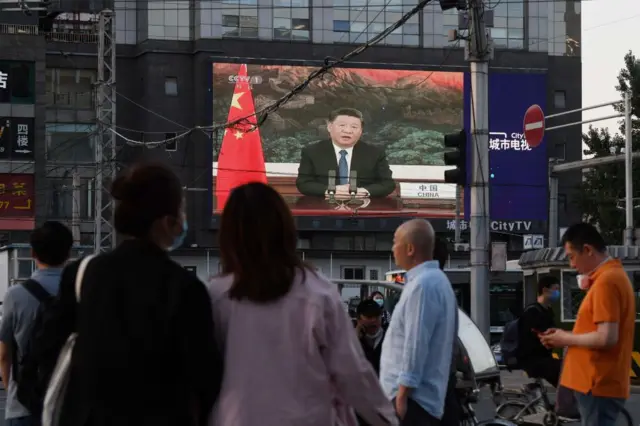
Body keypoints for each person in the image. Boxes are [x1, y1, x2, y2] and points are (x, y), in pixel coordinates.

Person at [37, 162, 222, 426]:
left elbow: (47, 350)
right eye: (181, 210)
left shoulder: (82, 275)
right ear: (167, 221)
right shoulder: (184, 287)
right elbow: (205, 375)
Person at [208, 182, 397, 426]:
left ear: (227, 235)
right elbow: (352, 374)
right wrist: (388, 420)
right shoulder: (317, 293)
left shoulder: (214, 296)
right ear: (285, 228)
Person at [540, 223, 635, 426]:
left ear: (588, 250)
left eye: (571, 256)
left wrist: (564, 338)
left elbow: (607, 337)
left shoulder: (606, 282)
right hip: (597, 383)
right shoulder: (610, 277)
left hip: (597, 383)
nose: (572, 265)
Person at [381, 219, 458, 425]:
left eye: (395, 242)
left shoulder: (424, 285)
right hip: (419, 400)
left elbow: (415, 344)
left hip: (413, 402)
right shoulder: (434, 281)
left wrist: (403, 394)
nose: (392, 248)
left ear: (410, 249)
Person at [0, 221, 73, 426]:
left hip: (24, 407)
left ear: (33, 253)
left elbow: (5, 355)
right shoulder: (82, 293)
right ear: (68, 254)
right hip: (68, 407)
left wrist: (17, 392)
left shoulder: (15, 296)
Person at [296, 108, 395, 199]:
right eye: (342, 125)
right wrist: (331, 191)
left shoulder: (374, 153)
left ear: (361, 131)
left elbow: (387, 184)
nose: (348, 131)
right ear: (330, 127)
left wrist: (363, 192)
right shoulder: (312, 151)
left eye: (354, 127)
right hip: (324, 206)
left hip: (362, 206)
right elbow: (304, 183)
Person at [517, 276, 562, 387]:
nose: (558, 293)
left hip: (544, 357)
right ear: (545, 290)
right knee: (564, 374)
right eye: (555, 289)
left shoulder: (547, 310)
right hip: (533, 359)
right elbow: (533, 338)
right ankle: (563, 403)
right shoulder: (532, 312)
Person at [355, 300, 386, 375]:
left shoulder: (388, 337)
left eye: (377, 316)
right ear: (359, 319)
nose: (374, 320)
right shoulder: (351, 339)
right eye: (369, 317)